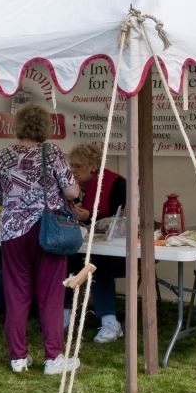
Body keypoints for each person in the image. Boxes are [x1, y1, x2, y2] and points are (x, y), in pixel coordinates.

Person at [0, 104, 81, 375]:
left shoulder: (3, 155)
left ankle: (18, 357)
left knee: (16, 293)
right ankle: (53, 358)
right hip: (47, 229)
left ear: (19, 126)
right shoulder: (53, 152)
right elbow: (71, 192)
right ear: (44, 128)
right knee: (50, 294)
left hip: (12, 231)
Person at [65, 142, 127, 343]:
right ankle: (64, 314)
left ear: (92, 166)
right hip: (82, 244)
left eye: (77, 166)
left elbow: (119, 221)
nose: (73, 171)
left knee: (99, 263)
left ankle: (110, 322)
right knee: (62, 257)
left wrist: (90, 216)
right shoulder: (73, 187)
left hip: (114, 249)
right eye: (71, 166)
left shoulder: (116, 183)